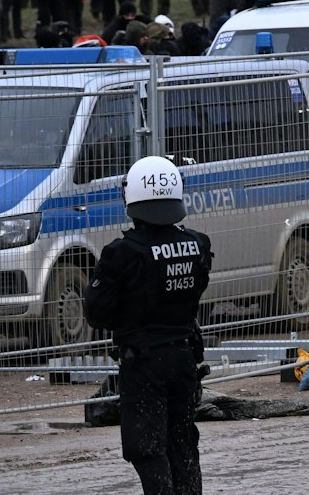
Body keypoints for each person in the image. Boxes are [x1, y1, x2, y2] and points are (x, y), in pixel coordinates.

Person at [84, 155, 214, 495]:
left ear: (132, 197)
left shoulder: (122, 253)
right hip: (185, 358)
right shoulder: (197, 244)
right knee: (182, 441)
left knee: (146, 446)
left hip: (144, 364)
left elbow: (96, 313)